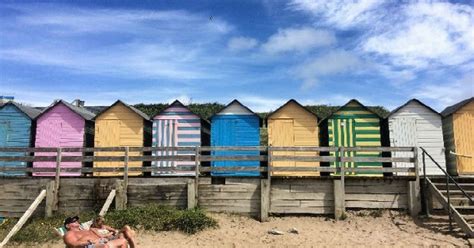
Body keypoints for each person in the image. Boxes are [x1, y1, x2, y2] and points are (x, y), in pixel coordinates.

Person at [63, 216, 135, 248]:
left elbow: (100, 233)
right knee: (105, 246)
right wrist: (89, 242)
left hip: (104, 240)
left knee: (123, 240)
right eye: (73, 221)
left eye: (77, 221)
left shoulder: (85, 229)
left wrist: (107, 236)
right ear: (68, 226)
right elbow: (73, 244)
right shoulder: (69, 234)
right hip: (92, 245)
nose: (77, 222)